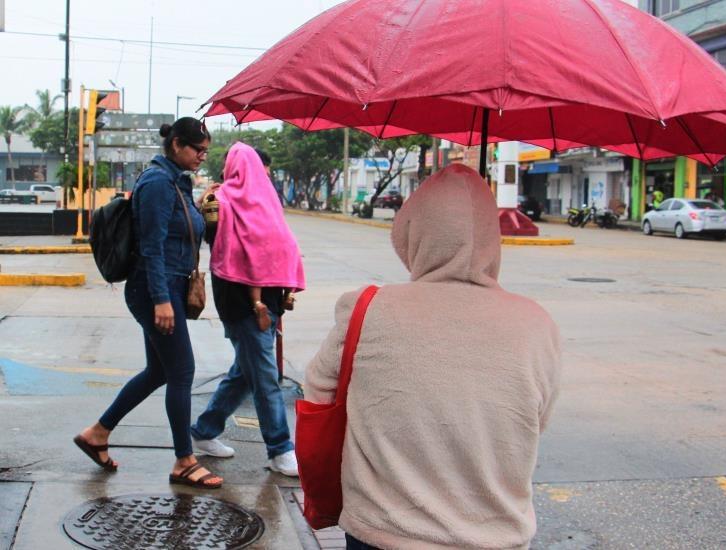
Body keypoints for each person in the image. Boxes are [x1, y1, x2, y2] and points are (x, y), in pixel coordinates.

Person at [305, 164, 562, 549]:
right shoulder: (537, 323)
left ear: (412, 233)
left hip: (382, 531)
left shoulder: (368, 308)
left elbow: (318, 395)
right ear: (492, 240)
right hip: (495, 537)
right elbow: (535, 421)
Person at [74, 117, 223, 488]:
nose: (203, 157)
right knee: (182, 371)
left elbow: (183, 234)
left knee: (159, 372)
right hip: (155, 288)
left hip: (167, 285)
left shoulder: (177, 181)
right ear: (176, 145)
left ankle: (97, 432)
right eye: (198, 149)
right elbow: (152, 246)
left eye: (206, 151)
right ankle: (184, 460)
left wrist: (204, 210)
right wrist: (161, 300)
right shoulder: (158, 182)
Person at [191, 142, 305, 477]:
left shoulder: (265, 199)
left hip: (268, 298)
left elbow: (279, 243)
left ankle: (204, 430)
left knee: (245, 372)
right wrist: (203, 207)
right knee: (265, 376)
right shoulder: (220, 201)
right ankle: (280, 448)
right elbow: (210, 239)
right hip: (240, 300)